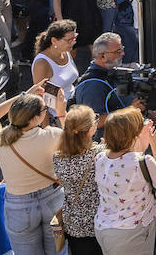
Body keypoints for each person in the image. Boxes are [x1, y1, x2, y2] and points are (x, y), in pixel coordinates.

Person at [0, 84, 66, 255]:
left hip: (18, 207)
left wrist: (24, 95)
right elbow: (77, 145)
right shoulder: (51, 135)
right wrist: (61, 111)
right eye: (44, 109)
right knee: (58, 251)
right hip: (53, 201)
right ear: (35, 119)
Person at [93, 106, 156, 255]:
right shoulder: (143, 162)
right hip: (130, 234)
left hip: (103, 228)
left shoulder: (100, 157)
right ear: (133, 135)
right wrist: (155, 144)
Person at [53, 104, 103, 255]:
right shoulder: (98, 154)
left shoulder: (58, 157)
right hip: (97, 223)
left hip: (72, 224)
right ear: (89, 129)